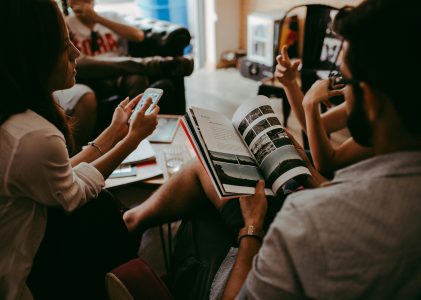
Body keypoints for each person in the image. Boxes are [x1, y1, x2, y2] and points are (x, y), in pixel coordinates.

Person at [222, 0, 421, 298]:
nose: (341, 87)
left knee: (210, 220)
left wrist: (252, 228)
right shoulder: (402, 111)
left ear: (372, 100)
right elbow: (318, 127)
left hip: (323, 192)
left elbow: (328, 160)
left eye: (345, 78)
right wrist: (293, 87)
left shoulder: (307, 221)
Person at [0, 1, 159, 299]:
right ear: (32, 54)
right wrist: (131, 140)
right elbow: (70, 194)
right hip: (16, 283)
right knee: (103, 210)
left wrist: (113, 133)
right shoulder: (32, 135)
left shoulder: (15, 117)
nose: (77, 52)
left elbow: (58, 176)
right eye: (64, 44)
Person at [275, 44, 373, 176]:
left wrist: (310, 103)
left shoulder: (388, 121)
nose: (337, 61)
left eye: (343, 50)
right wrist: (290, 83)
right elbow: (312, 125)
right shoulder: (366, 95)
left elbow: (328, 164)